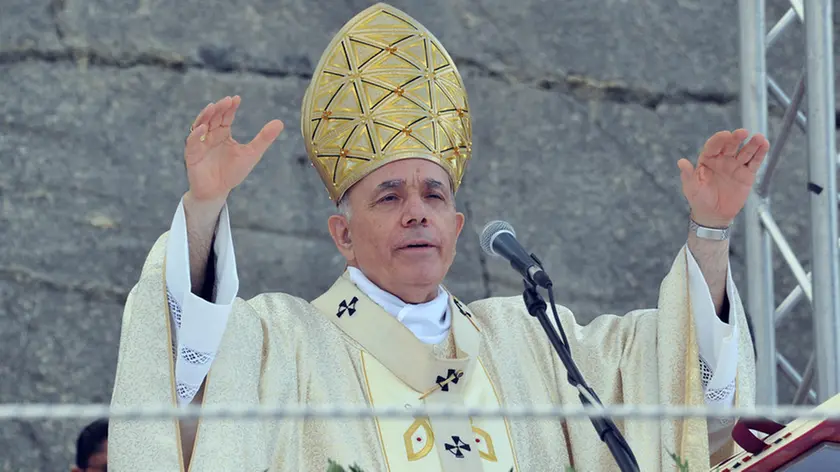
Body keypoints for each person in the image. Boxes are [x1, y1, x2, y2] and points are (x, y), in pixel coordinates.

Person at [108, 3, 765, 471]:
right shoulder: (288, 344)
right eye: (389, 197)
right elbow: (179, 370)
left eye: (434, 194)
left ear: (455, 227)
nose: (416, 212)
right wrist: (206, 204)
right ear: (342, 233)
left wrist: (709, 233)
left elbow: (676, 382)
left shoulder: (531, 342)